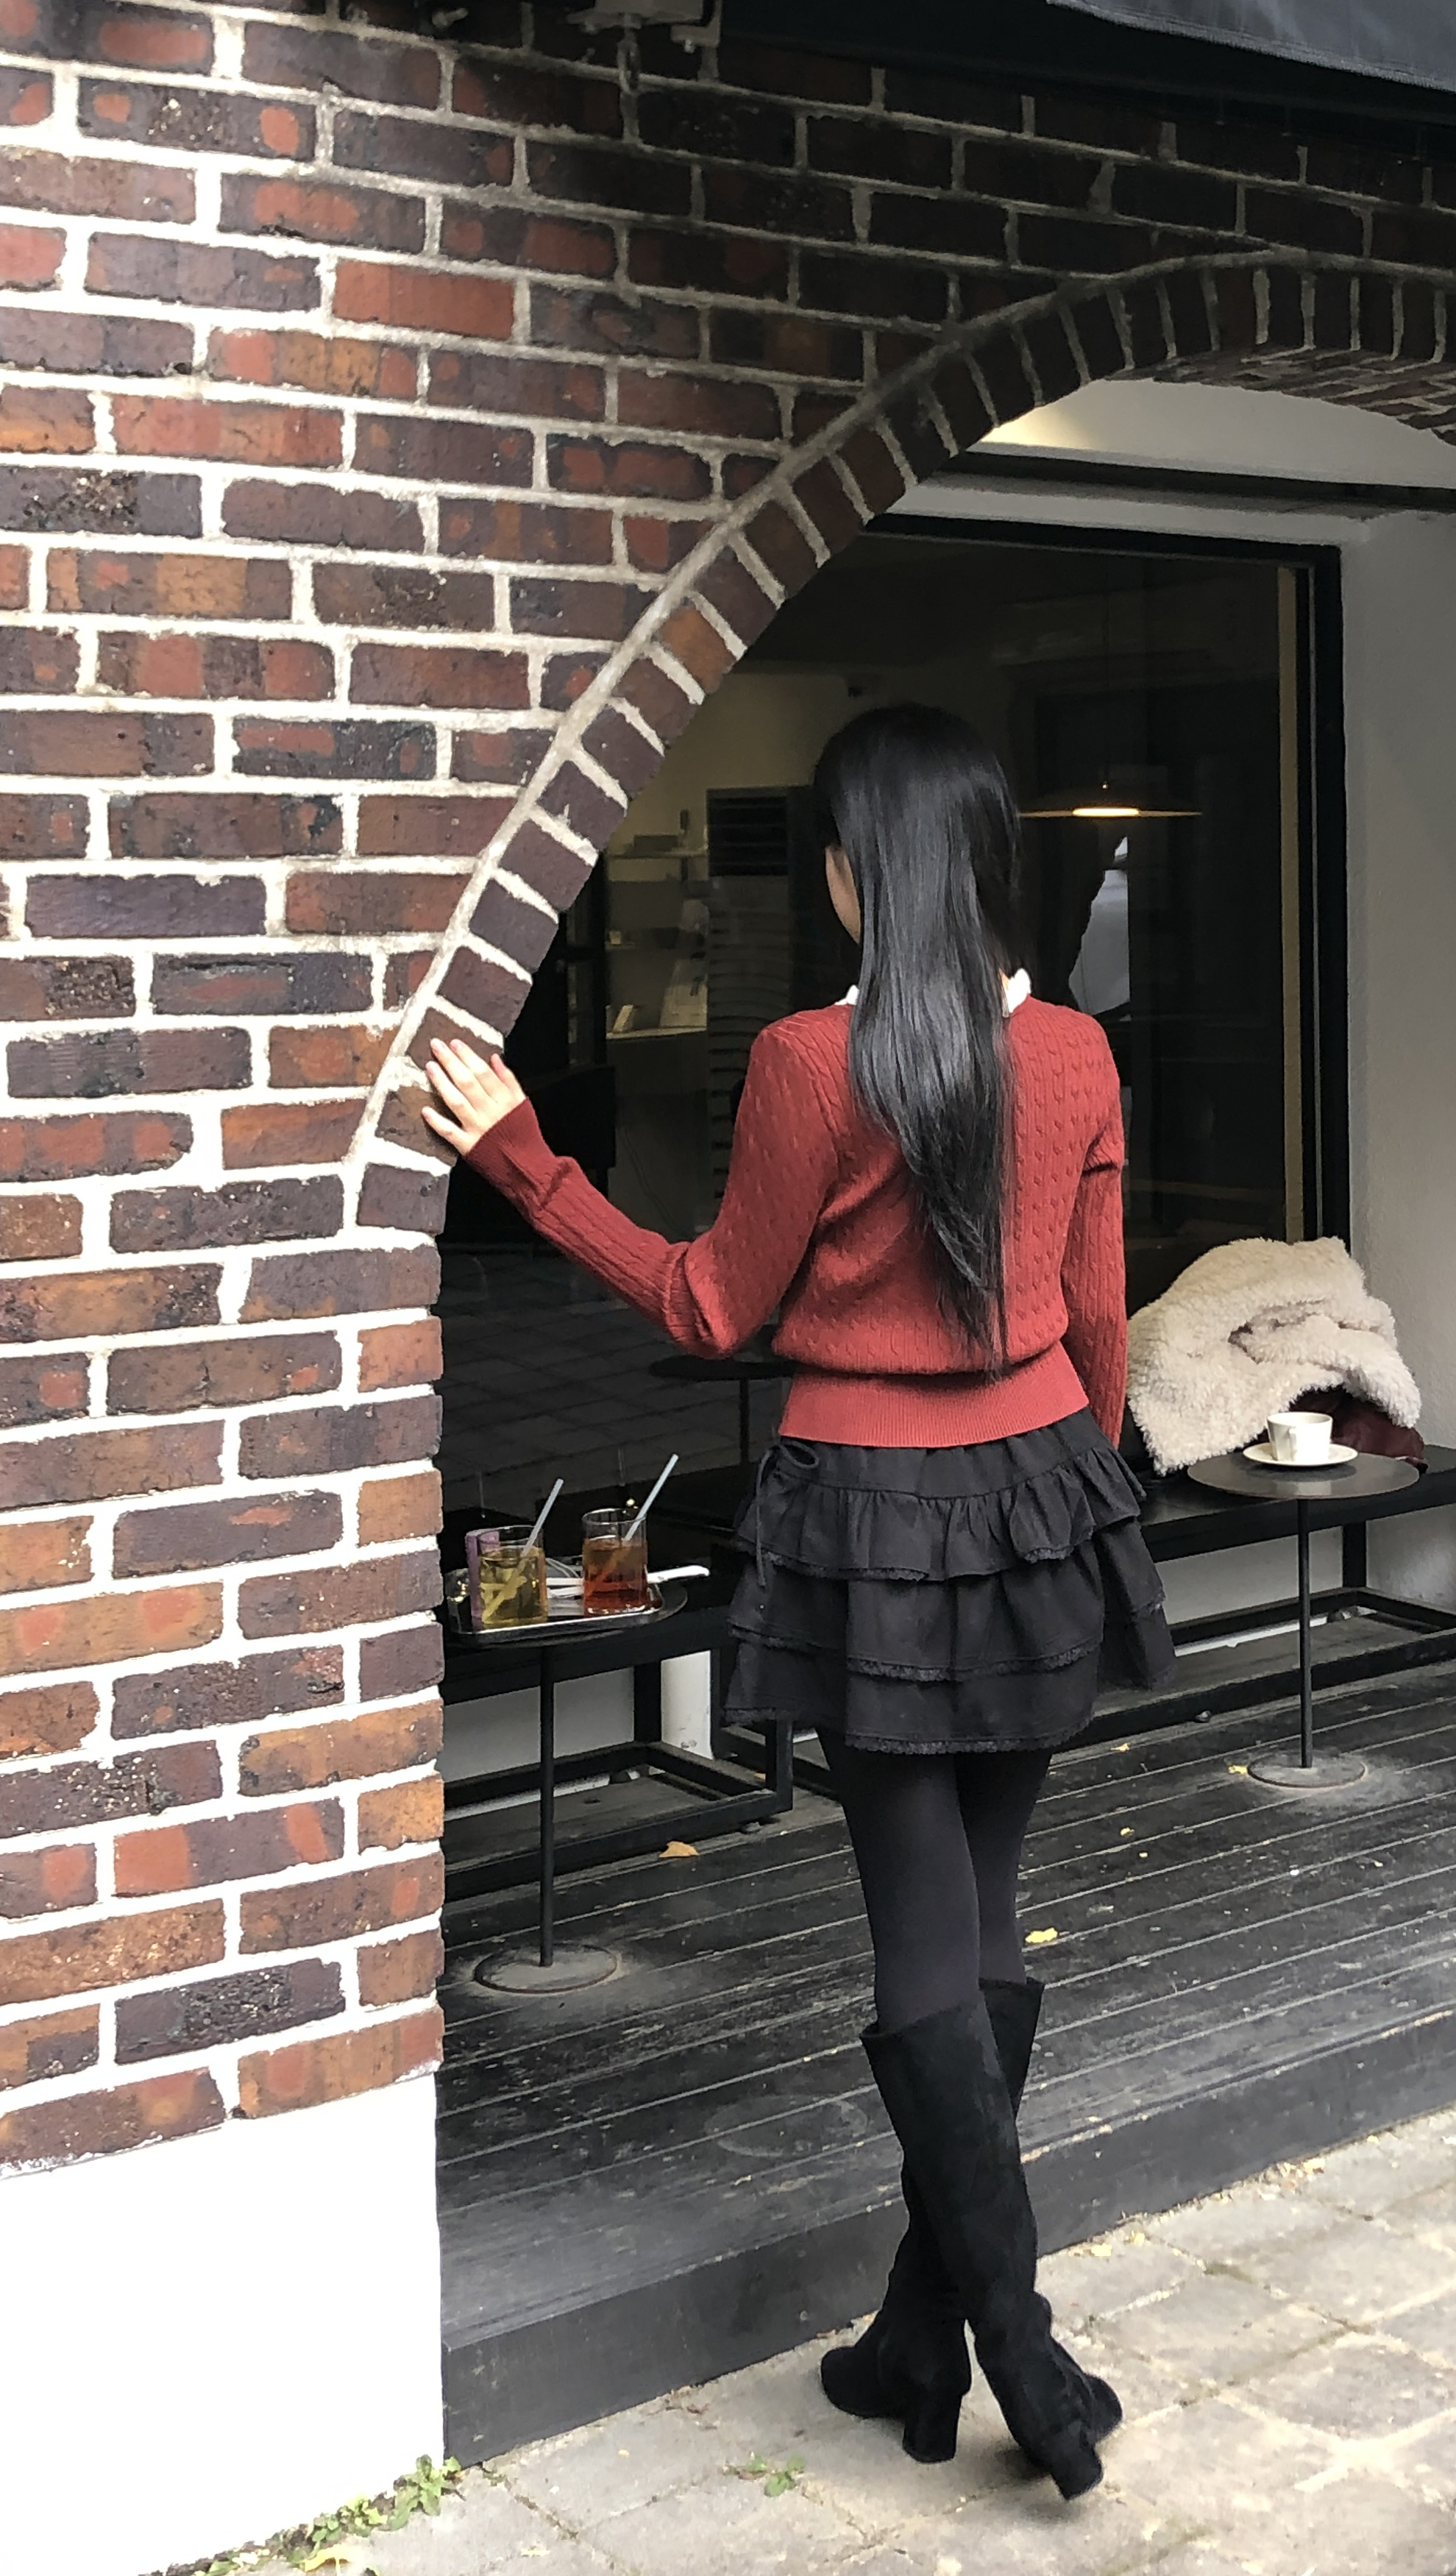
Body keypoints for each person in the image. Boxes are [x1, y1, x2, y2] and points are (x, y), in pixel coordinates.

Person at [424, 703, 1175, 2501]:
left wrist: (522, 1157)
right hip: (1037, 1495)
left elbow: (708, 1303)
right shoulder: (1073, 1051)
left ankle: (1013, 2349)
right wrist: (1074, 1497)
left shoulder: (802, 1062)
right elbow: (1096, 1320)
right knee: (986, 1918)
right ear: (979, 859)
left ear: (850, 873)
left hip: (869, 1512)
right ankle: (926, 2335)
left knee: (926, 1929)